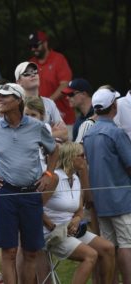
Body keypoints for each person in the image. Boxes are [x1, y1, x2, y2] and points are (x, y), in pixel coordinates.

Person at [0, 83, 59, 283]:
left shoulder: (37, 127)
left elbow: (54, 151)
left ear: (18, 101)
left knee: (31, 251)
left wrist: (49, 174)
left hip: (31, 193)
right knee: (8, 251)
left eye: (5, 96)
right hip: (5, 194)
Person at [42, 142, 115, 283]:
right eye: (81, 155)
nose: (85, 158)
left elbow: (79, 210)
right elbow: (35, 208)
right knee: (91, 255)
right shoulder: (55, 178)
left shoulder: (75, 179)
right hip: (51, 232)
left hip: (70, 229)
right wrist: (53, 227)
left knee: (108, 248)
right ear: (70, 157)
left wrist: (77, 219)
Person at [83, 86, 131, 283]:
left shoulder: (88, 134)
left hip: (101, 202)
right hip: (122, 198)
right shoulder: (116, 133)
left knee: (109, 246)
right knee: (127, 244)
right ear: (114, 106)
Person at [28, 31, 75, 129]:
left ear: (45, 43)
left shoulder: (58, 59)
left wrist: (47, 102)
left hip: (62, 119)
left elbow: (65, 84)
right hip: (39, 121)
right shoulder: (31, 63)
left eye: (36, 45)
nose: (33, 49)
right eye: (31, 46)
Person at [15, 61, 68, 141]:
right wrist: (50, 132)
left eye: (35, 72)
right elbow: (18, 137)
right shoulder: (15, 105)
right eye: (26, 74)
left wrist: (46, 134)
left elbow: (65, 134)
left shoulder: (49, 103)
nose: (33, 75)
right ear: (18, 82)